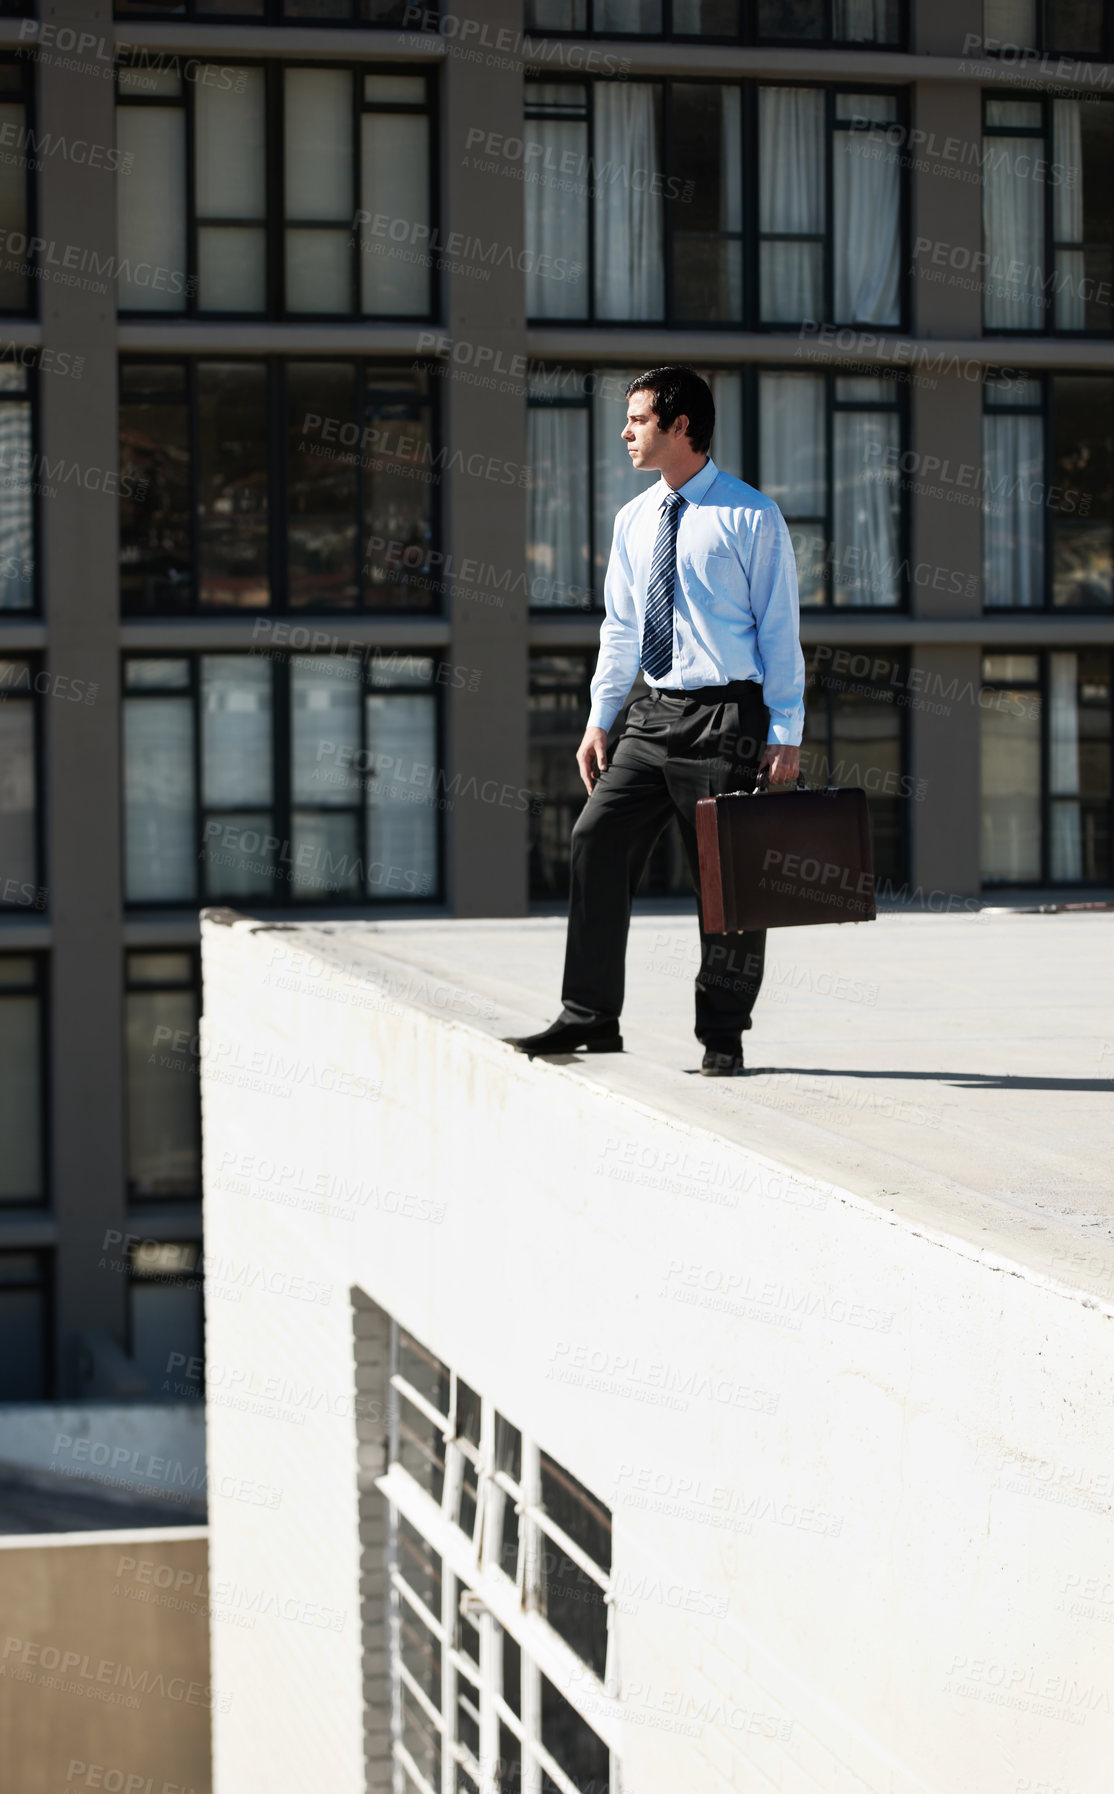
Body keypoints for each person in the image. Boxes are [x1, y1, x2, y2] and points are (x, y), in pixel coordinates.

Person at [508, 366, 805, 1076]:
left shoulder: (750, 516)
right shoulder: (635, 517)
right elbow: (620, 627)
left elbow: (780, 631)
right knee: (595, 838)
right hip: (652, 712)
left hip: (727, 715)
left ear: (680, 426)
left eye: (638, 419)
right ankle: (589, 1016)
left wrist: (785, 733)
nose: (626, 432)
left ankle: (723, 1034)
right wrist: (598, 717)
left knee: (724, 883)